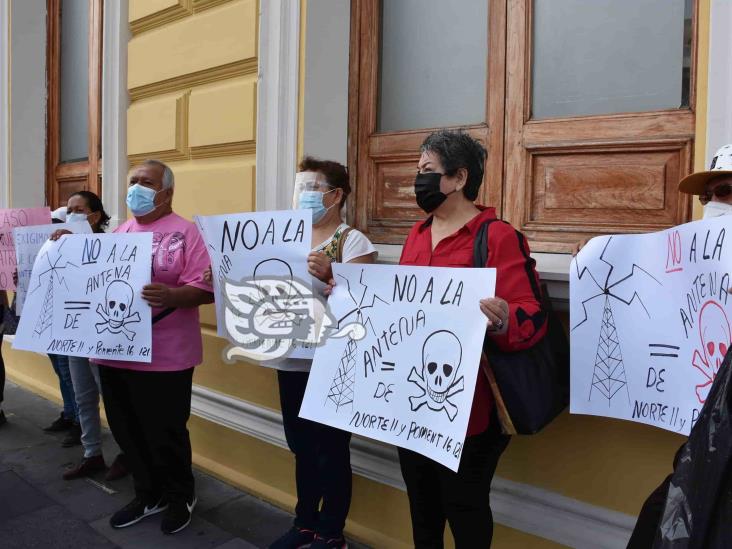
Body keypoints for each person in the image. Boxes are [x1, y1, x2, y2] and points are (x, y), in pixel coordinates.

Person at [397, 130, 546, 548]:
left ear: (459, 178)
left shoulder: (497, 236)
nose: (418, 179)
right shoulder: (416, 234)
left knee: (465, 507)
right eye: (417, 170)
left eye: (427, 170)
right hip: (413, 405)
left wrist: (501, 321)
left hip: (473, 411)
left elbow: (531, 314)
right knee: (422, 506)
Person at [94, 159, 213, 535]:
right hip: (115, 352)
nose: (136, 189)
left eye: (146, 182)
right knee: (126, 429)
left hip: (166, 357)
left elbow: (205, 289)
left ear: (167, 193)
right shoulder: (118, 233)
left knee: (165, 430)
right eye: (133, 181)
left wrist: (172, 294)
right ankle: (148, 493)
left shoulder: (189, 233)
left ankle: (180, 496)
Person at [263, 157, 377, 549]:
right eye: (301, 187)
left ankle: (331, 531)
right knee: (301, 447)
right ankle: (304, 522)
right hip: (291, 360)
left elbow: (365, 301)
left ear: (336, 194)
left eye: (313, 188)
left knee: (330, 449)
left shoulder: (352, 241)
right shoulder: (284, 236)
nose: (304, 195)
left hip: (330, 363)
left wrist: (332, 273)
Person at [50, 191, 129, 481]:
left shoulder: (114, 246)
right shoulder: (60, 246)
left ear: (94, 216)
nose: (71, 215)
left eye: (78, 210)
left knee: (112, 398)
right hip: (74, 334)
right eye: (69, 210)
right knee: (83, 396)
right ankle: (91, 454)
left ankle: (127, 455)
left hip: (103, 338)